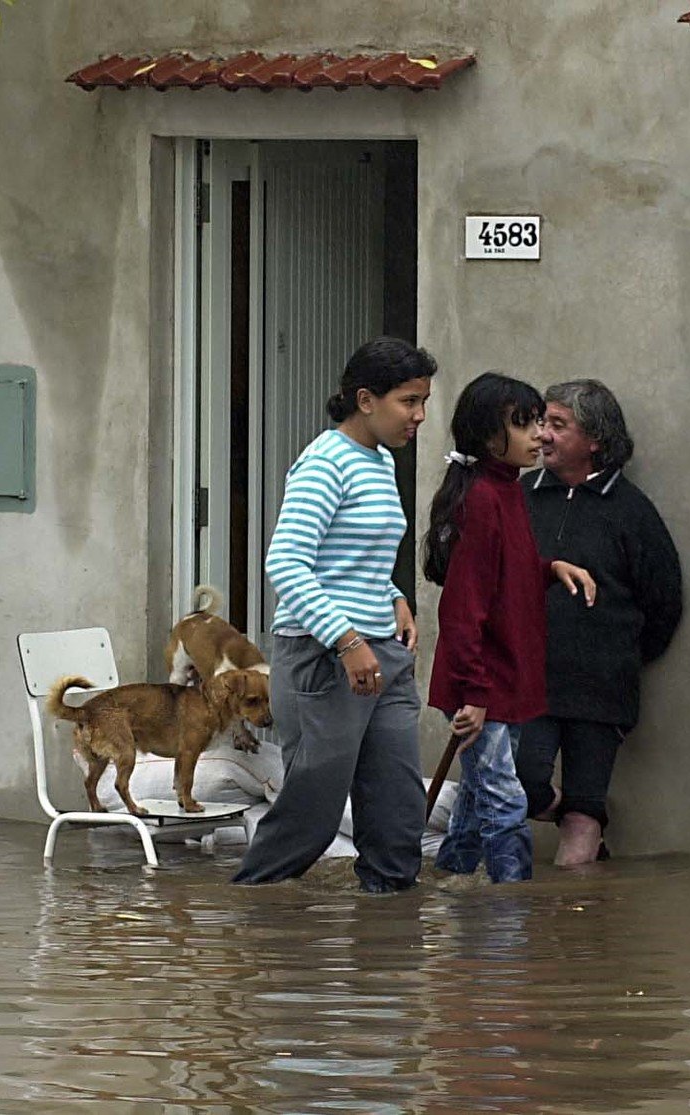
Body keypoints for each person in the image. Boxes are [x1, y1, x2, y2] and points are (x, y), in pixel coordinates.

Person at [232, 337, 433, 891]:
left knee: (396, 810)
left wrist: (394, 597)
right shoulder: (324, 462)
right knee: (311, 816)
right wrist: (347, 641)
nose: (418, 416)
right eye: (408, 401)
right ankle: (254, 923)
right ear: (365, 400)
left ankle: (388, 944)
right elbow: (287, 564)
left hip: (383, 654)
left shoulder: (382, 461)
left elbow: (355, 556)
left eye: (423, 403)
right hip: (327, 658)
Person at [424, 372, 596, 884]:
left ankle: (449, 886)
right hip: (485, 687)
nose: (539, 435)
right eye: (525, 425)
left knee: (480, 800)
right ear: (486, 436)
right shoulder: (481, 498)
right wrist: (474, 694)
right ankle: (510, 919)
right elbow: (463, 609)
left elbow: (505, 576)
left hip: (504, 681)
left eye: (540, 422)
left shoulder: (507, 491)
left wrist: (549, 569)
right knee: (505, 801)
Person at [515, 380, 684, 865]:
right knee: (522, 783)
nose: (543, 434)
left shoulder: (631, 510)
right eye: (541, 422)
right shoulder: (521, 495)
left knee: (583, 826)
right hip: (530, 679)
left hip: (602, 688)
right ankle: (571, 813)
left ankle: (579, 934)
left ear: (595, 440)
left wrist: (623, 655)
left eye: (557, 425)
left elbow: (664, 598)